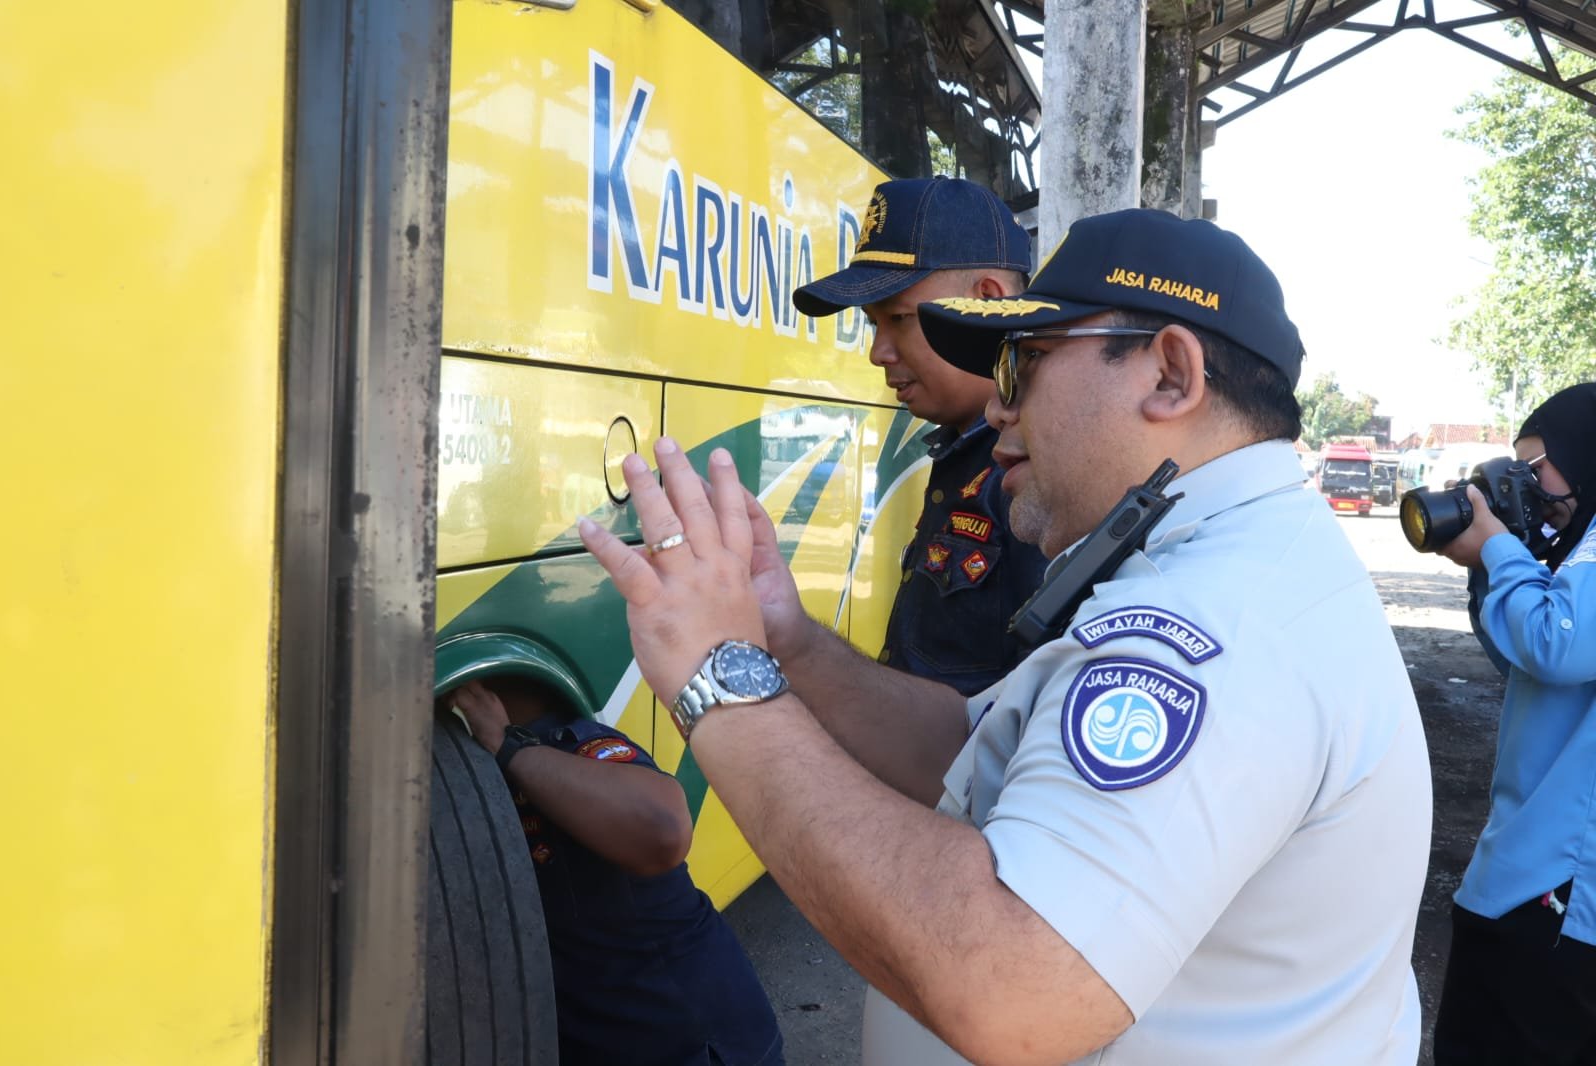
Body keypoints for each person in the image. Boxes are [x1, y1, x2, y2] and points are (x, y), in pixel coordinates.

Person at [578, 208, 1431, 1065]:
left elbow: (1013, 988)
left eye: (1022, 367)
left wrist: (721, 686)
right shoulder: (1229, 562)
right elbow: (972, 751)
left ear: (1171, 375)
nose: (995, 405)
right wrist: (785, 638)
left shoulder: (1210, 623)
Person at [792, 176, 1048, 694]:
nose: (878, 352)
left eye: (901, 319)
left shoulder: (1042, 471)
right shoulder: (963, 448)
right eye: (873, 325)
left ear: (990, 302)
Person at [446, 675, 784, 1066]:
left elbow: (664, 829)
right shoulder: (474, 782)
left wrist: (510, 748)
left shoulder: (570, 744)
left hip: (693, 1043)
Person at [1432, 382, 1596, 1065]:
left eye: (1534, 472)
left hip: (1552, 887)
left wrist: (1502, 552)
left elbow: (1559, 645)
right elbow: (1521, 659)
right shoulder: (1578, 548)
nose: (1526, 489)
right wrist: (1498, 564)